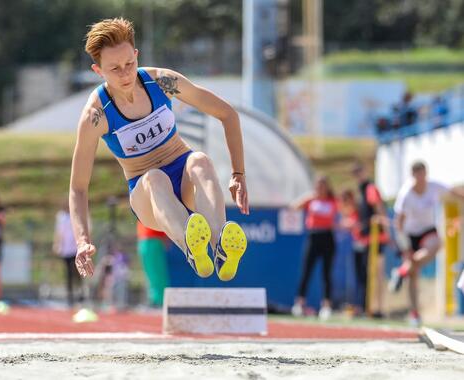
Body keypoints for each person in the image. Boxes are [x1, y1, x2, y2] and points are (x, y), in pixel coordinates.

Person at [70, 18, 249, 281]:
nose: (125, 74)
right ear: (98, 71)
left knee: (199, 160)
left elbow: (227, 114)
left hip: (185, 176)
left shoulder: (162, 82)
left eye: (130, 64)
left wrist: (238, 174)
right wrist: (82, 240)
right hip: (148, 195)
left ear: (136, 55)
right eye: (115, 69)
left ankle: (219, 245)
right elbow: (78, 187)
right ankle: (191, 246)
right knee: (155, 177)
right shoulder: (97, 114)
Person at [390, 161, 464, 326]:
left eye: (424, 174)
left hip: (428, 230)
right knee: (413, 274)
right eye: (419, 175)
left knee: (437, 244)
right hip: (410, 234)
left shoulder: (434, 186)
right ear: (413, 176)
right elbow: (399, 223)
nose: (422, 179)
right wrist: (405, 247)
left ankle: (402, 270)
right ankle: (415, 313)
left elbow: (453, 192)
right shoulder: (406, 194)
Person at [291, 176, 338, 320]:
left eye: (323, 185)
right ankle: (299, 303)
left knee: (326, 273)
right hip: (313, 236)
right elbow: (294, 206)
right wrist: (310, 196)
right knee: (306, 271)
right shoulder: (312, 200)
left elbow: (341, 213)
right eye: (318, 186)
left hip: (327, 237)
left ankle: (326, 306)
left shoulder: (332, 201)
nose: (320, 188)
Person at [351, 162, 389, 318]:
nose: (357, 175)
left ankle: (376, 308)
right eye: (355, 172)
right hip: (365, 238)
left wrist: (386, 232)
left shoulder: (370, 188)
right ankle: (365, 306)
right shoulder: (360, 190)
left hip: (376, 238)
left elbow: (379, 208)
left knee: (375, 273)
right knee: (364, 273)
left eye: (359, 171)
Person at [53, 201, 85, 307]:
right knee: (68, 273)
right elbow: (59, 232)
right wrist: (57, 244)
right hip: (66, 249)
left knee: (78, 271)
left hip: (75, 248)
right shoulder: (61, 217)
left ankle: (80, 292)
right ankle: (70, 295)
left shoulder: (75, 214)